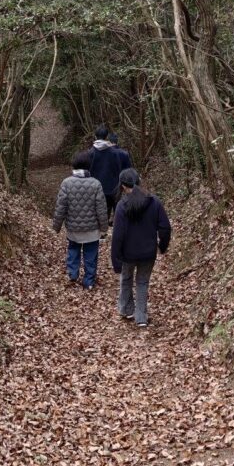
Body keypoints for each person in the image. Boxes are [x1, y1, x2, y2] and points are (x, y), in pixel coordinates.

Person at [111, 168, 171, 327]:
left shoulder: (122, 206)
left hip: (127, 254)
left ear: (123, 186)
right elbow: (165, 227)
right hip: (148, 253)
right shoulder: (154, 202)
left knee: (126, 278)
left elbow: (117, 236)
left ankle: (126, 310)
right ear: (139, 181)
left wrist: (115, 259)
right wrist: (162, 246)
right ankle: (141, 317)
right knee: (142, 282)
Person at [53, 151, 108, 289]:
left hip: (73, 228)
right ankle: (89, 281)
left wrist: (56, 226)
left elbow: (61, 207)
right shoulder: (96, 184)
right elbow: (101, 209)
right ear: (89, 165)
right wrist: (104, 228)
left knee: (73, 251)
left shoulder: (66, 183)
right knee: (91, 255)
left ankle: (72, 274)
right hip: (92, 229)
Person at [89, 126, 124, 222]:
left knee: (98, 217)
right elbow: (119, 169)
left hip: (95, 189)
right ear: (106, 137)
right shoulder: (114, 152)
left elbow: (88, 172)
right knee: (114, 212)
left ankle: (102, 230)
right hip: (112, 188)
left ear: (95, 136)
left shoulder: (91, 153)